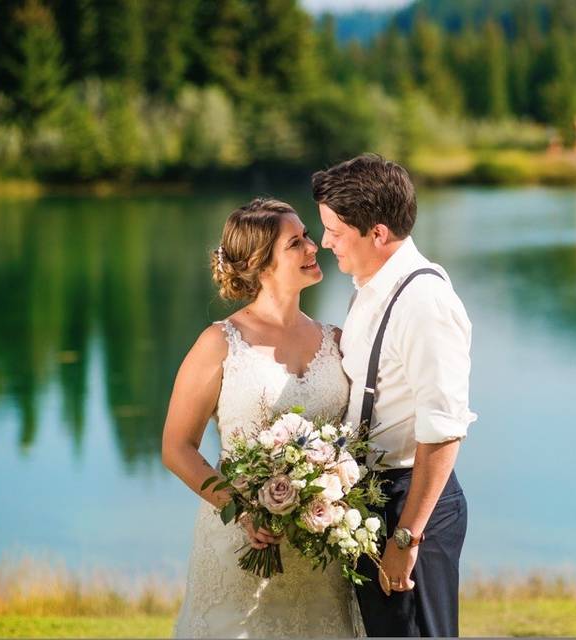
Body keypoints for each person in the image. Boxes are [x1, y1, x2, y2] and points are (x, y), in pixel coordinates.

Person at [162, 198, 361, 638]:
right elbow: (177, 447)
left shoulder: (337, 339)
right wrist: (241, 509)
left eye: (308, 236)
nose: (314, 247)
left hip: (319, 546)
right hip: (241, 540)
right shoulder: (219, 343)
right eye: (296, 243)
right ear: (260, 264)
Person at [312, 153, 476, 637]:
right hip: (374, 497)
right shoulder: (372, 287)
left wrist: (406, 537)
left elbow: (445, 431)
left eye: (335, 233)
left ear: (378, 234)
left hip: (412, 502)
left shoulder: (424, 303)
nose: (325, 243)